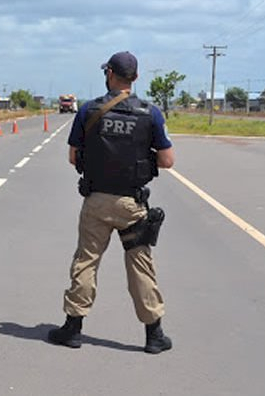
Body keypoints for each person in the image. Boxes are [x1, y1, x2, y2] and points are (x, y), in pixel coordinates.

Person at [48, 51, 176, 354]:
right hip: (132, 203)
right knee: (141, 265)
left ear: (109, 74)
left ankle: (73, 329)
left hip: (96, 200)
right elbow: (168, 160)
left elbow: (72, 156)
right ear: (136, 78)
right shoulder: (151, 113)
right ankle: (154, 334)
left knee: (86, 261)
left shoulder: (89, 110)